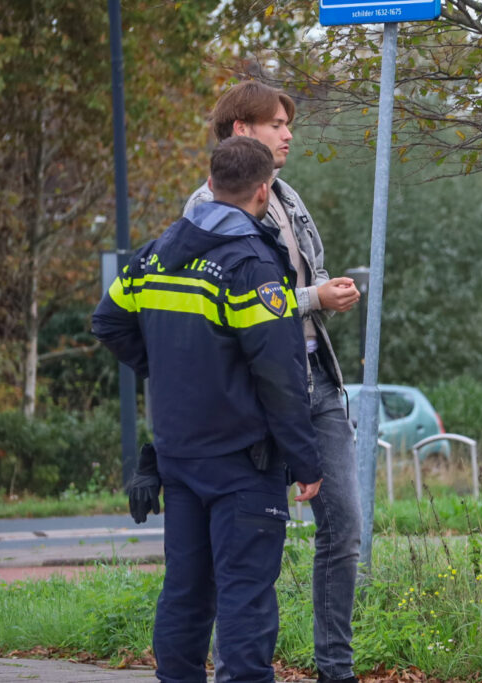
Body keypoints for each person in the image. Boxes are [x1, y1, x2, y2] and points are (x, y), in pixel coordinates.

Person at [93, 136, 323, 683]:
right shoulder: (250, 263)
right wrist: (306, 460)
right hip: (243, 460)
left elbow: (108, 322)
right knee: (245, 594)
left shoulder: (154, 253)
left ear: (213, 182)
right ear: (263, 191)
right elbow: (280, 374)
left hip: (178, 454)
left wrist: (172, 371)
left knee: (187, 591)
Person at [183, 81, 362, 683]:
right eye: (276, 123)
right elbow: (244, 303)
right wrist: (315, 296)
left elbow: (303, 277)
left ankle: (336, 668)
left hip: (317, 379)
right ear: (241, 130)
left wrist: (328, 291)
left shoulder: (287, 196)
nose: (288, 134)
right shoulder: (202, 211)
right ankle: (242, 665)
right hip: (257, 393)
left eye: (289, 124)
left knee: (345, 530)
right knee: (245, 549)